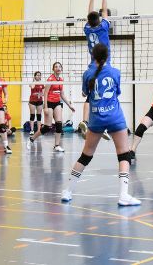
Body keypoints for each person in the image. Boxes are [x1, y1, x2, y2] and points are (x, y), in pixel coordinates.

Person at [61, 44, 140, 206]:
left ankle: (67, 191)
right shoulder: (115, 72)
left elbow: (85, 94)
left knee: (85, 156)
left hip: (96, 118)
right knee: (124, 155)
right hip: (115, 117)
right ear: (108, 55)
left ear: (92, 56)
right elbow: (117, 92)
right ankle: (123, 195)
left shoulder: (87, 74)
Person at [78, 0, 112, 142]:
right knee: (105, 95)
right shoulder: (103, 28)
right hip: (104, 67)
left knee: (90, 95)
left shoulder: (87, 29)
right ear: (99, 20)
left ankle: (85, 121)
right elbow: (104, 12)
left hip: (91, 67)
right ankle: (102, 125)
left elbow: (90, 14)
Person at [28, 62, 75, 152]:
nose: (58, 68)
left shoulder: (61, 79)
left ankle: (56, 145)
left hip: (57, 103)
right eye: (56, 67)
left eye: (59, 66)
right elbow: (45, 93)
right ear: (53, 69)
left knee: (59, 124)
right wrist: (45, 107)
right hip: (49, 103)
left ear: (61, 69)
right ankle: (32, 138)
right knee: (47, 127)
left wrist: (69, 105)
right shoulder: (50, 79)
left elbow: (62, 94)